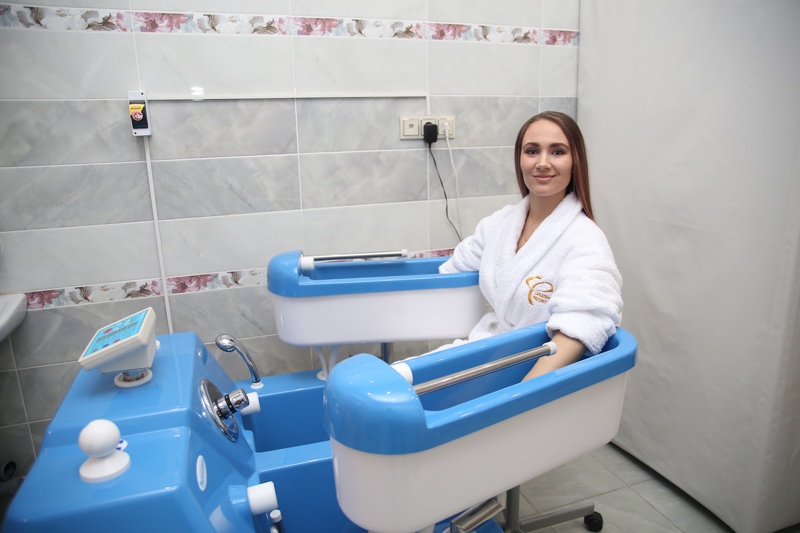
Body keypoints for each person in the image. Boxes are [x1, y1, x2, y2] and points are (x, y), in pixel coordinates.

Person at [438, 111, 622, 381]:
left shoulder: (585, 239)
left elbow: (583, 322)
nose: (543, 163)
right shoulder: (499, 224)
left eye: (557, 152)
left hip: (537, 372)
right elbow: (452, 270)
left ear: (575, 162)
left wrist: (522, 392)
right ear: (520, 160)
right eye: (532, 151)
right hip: (490, 351)